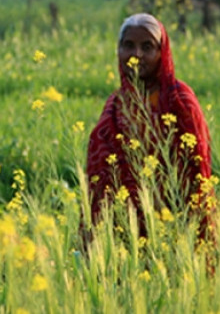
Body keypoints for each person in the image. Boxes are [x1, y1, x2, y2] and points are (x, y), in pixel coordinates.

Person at [85, 13, 213, 242]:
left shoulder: (180, 100)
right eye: (129, 46)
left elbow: (197, 165)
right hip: (126, 228)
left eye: (147, 47)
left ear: (161, 53)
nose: (137, 55)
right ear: (118, 50)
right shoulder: (116, 104)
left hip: (174, 223)